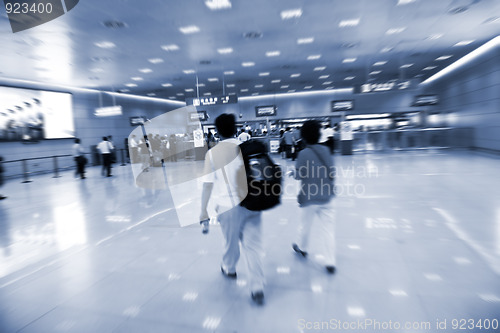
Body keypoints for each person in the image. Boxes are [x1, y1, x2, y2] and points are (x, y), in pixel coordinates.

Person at [199, 113, 266, 305]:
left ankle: (229, 268)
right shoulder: (247, 148)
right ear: (235, 128)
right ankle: (257, 287)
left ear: (218, 132)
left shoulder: (212, 153)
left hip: (227, 207)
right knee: (253, 246)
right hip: (252, 203)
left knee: (231, 242)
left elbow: (207, 184)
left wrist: (203, 211)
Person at [290, 120, 336, 274]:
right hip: (327, 196)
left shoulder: (303, 153)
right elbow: (332, 172)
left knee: (305, 225)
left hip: (309, 197)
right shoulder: (326, 151)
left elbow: (299, 175)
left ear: (303, 136)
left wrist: (292, 173)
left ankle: (302, 248)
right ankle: (330, 261)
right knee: (328, 229)